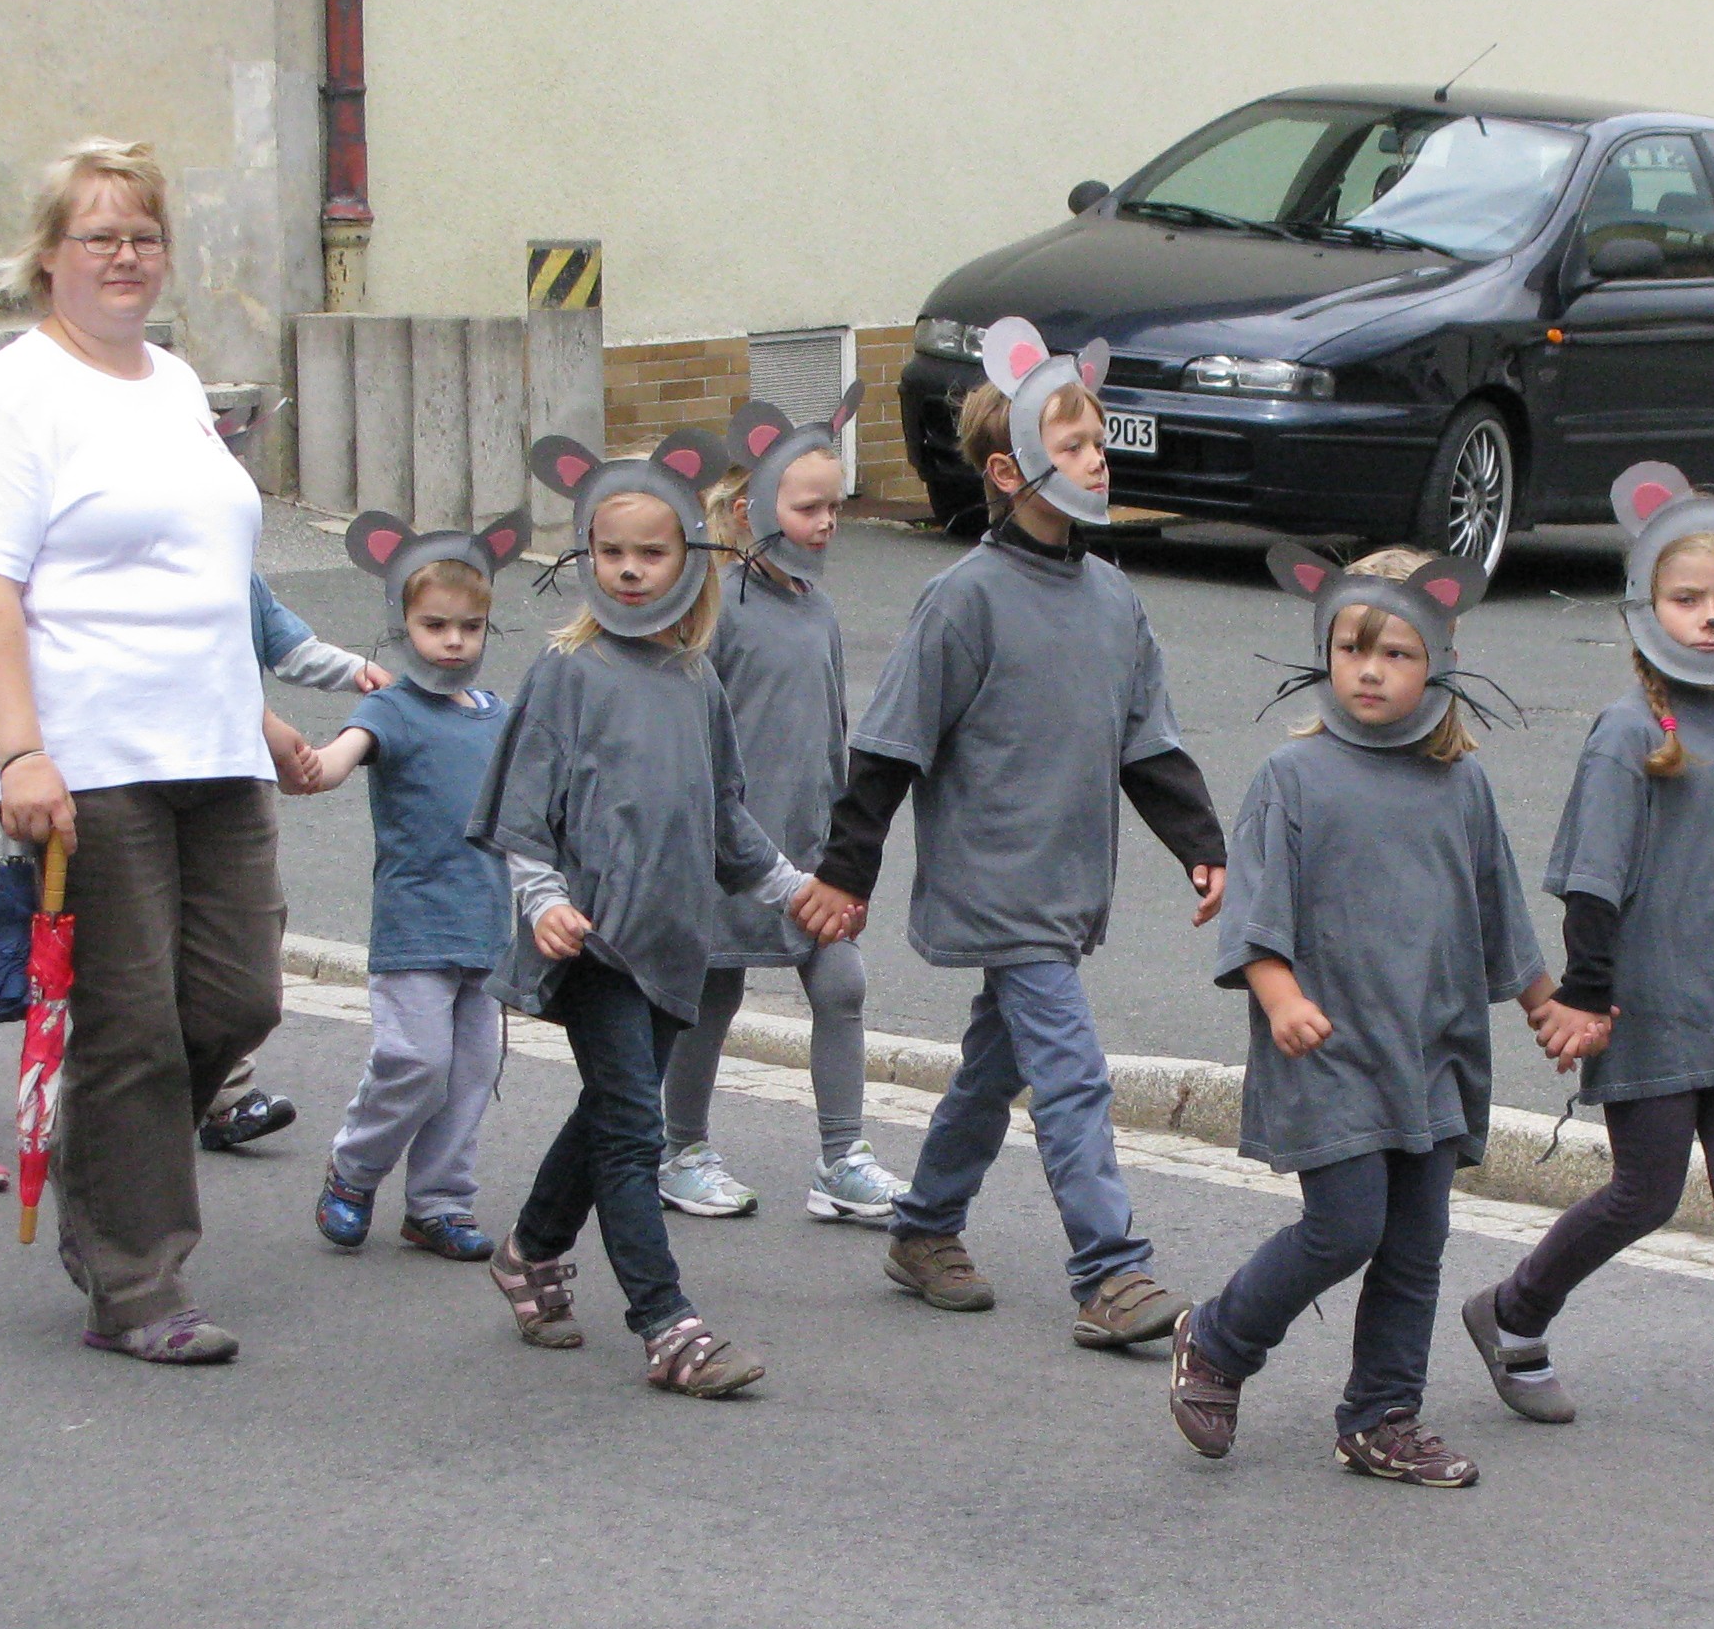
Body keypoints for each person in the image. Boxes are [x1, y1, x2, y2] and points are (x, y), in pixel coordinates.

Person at [806, 318, 1224, 1351]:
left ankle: (923, 1228)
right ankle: (1110, 1271)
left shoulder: (1113, 599)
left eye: (1098, 443)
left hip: (1066, 883)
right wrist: (846, 873)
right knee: (1071, 1073)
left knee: (997, 1067)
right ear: (1009, 469)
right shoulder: (964, 600)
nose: (1098, 460)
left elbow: (1148, 744)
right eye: (1075, 445)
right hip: (998, 884)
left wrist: (1200, 844)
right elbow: (888, 748)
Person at [0, 138, 284, 1367]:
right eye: (99, 236)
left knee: (239, 998)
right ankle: (136, 1279)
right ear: (50, 256)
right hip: (89, 758)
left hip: (215, 743)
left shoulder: (175, 380)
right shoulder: (15, 395)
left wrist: (258, 713)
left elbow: (201, 575)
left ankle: (109, 1182)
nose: (126, 256)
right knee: (131, 1027)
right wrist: (20, 755)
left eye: (144, 235)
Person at [1458, 465, 1714, 1450]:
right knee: (1646, 1193)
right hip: (1650, 1007)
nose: (1711, 618)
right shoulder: (1629, 730)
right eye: (1688, 600)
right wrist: (1587, 996)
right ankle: (1512, 1311)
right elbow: (1593, 879)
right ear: (1646, 607)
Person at [1166, 543, 1585, 1485]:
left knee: (1415, 1244)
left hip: (1433, 1050)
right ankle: (1221, 1340)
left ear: (1438, 659)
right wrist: (1280, 998)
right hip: (1331, 1052)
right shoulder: (1292, 777)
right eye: (1352, 648)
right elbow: (1254, 911)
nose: (1369, 670)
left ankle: (1383, 1417)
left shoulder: (1461, 784)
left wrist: (1546, 1004)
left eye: (1395, 653)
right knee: (1346, 1227)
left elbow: (1500, 908)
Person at [477, 425, 850, 1395]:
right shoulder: (567, 673)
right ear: (587, 559)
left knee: (613, 1108)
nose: (631, 570)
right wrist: (542, 901)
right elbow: (525, 815)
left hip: (673, 941)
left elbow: (728, 821)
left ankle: (530, 1249)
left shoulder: (696, 679)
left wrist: (795, 890)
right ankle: (666, 1322)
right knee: (633, 1131)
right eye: (612, 553)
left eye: (651, 552)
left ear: (690, 559)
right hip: (596, 944)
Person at [655, 387, 905, 1226]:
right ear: (753, 509)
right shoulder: (717, 604)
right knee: (711, 996)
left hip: (810, 849)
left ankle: (843, 1159)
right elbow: (688, 728)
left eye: (835, 506)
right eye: (809, 508)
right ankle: (680, 1148)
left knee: (840, 984)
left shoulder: (818, 607)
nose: (828, 522)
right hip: (729, 851)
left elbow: (833, 737)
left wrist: (844, 854)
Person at [301, 508, 527, 1261]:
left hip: (485, 927)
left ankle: (438, 1203)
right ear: (403, 626)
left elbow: (536, 801)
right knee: (417, 1064)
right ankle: (355, 1169)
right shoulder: (389, 707)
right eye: (435, 625)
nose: (453, 640)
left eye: (470, 627)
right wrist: (306, 763)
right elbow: (336, 760)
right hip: (415, 925)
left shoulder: (496, 716)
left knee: (471, 1075)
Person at [197, 571, 388, 1154]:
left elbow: (291, 648)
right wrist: (271, 728)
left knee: (242, 957)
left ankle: (220, 1091)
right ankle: (201, 1095)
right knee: (143, 953)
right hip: (141, 780)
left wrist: (358, 671)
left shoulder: (238, 573)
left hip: (234, 782)